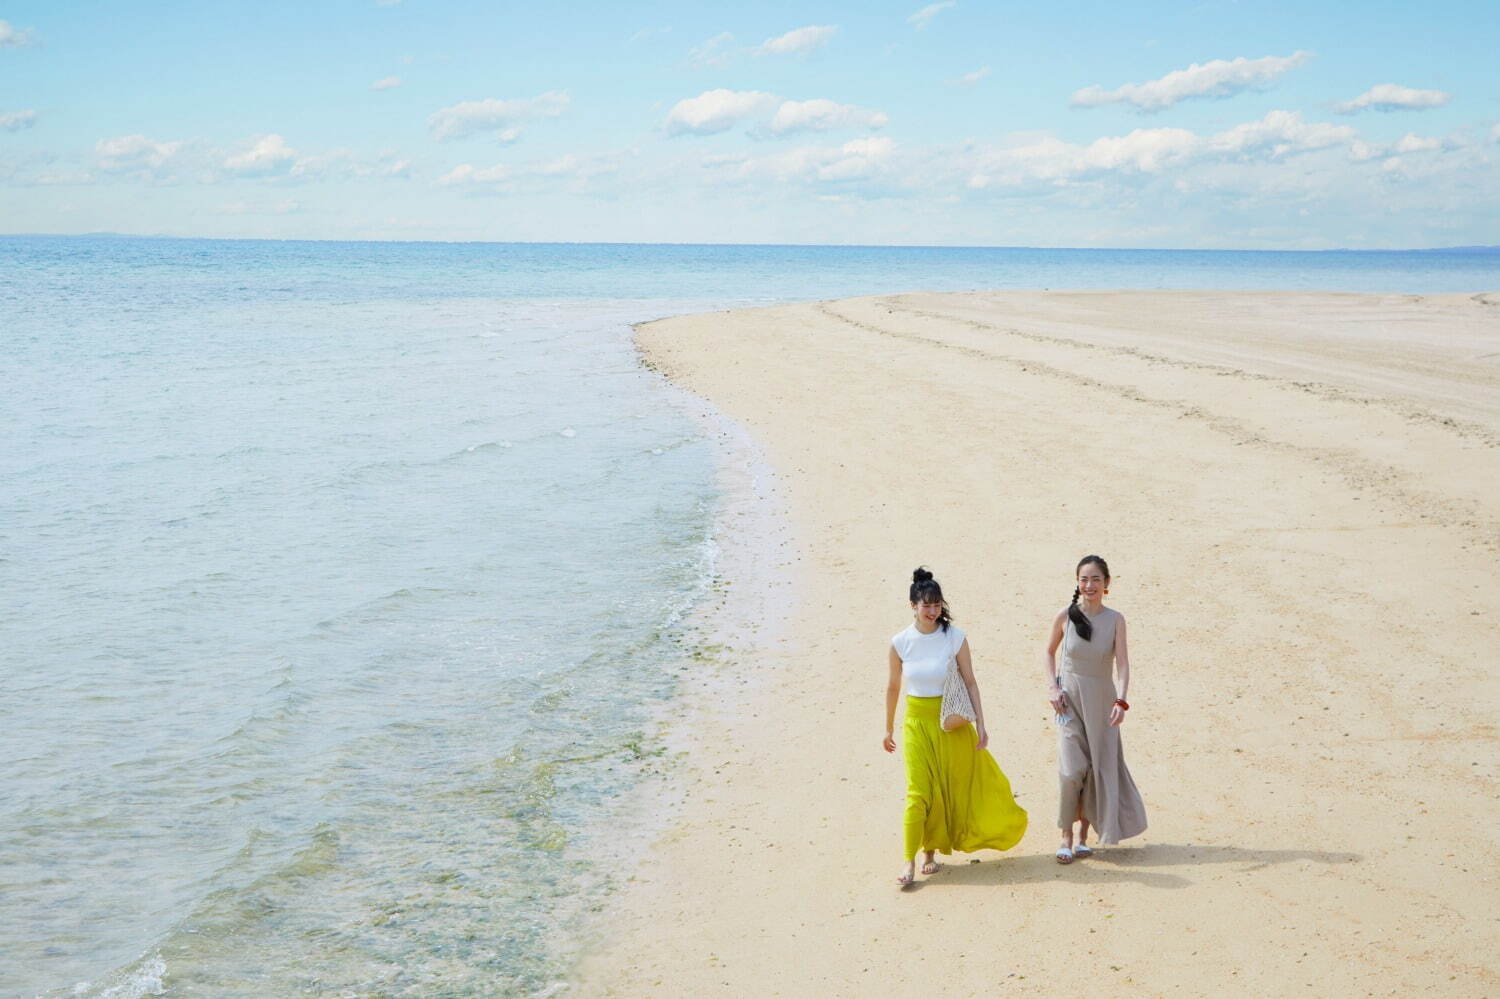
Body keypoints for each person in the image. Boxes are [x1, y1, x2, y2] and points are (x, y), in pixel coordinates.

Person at [884, 567, 1027, 886]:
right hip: (916, 724)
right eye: (926, 605)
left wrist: (983, 724)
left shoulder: (955, 637)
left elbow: (971, 682)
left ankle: (930, 852)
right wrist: (888, 729)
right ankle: (908, 859)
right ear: (913, 606)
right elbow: (893, 688)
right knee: (918, 792)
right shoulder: (900, 643)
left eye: (937, 605)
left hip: (951, 724)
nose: (933, 611)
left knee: (947, 790)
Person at [1042, 555, 1147, 863]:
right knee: (1072, 770)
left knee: (1097, 767)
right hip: (1070, 702)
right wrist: (1052, 687)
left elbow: (1123, 664)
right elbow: (1048, 653)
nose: (1089, 585)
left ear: (1107, 584)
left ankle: (1083, 838)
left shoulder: (1115, 620)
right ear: (1077, 582)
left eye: (1096, 580)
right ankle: (1066, 835)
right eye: (1084, 579)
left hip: (1102, 702)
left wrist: (1122, 700)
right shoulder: (1065, 616)